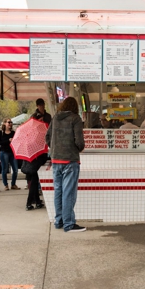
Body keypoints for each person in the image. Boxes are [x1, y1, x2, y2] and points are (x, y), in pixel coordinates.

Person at [46, 96, 86, 233]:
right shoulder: (75, 119)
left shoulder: (55, 118)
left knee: (58, 191)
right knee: (68, 193)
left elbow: (47, 137)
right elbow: (79, 142)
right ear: (75, 107)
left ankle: (59, 221)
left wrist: (56, 148)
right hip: (70, 160)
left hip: (56, 160)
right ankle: (69, 224)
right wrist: (79, 148)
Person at [25, 98, 51, 190]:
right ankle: (34, 185)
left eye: (43, 105)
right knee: (36, 165)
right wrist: (38, 123)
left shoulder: (48, 116)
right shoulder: (33, 116)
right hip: (36, 142)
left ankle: (40, 184)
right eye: (40, 105)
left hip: (46, 140)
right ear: (37, 106)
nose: (42, 107)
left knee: (43, 162)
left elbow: (51, 127)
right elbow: (30, 129)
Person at [0, 118, 19, 190]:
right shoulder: (1, 132)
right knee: (5, 169)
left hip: (12, 152)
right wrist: (8, 140)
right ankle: (6, 185)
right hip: (4, 152)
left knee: (15, 169)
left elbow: (17, 142)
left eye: (11, 122)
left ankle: (13, 184)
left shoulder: (13, 133)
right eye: (8, 122)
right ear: (4, 123)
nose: (10, 124)